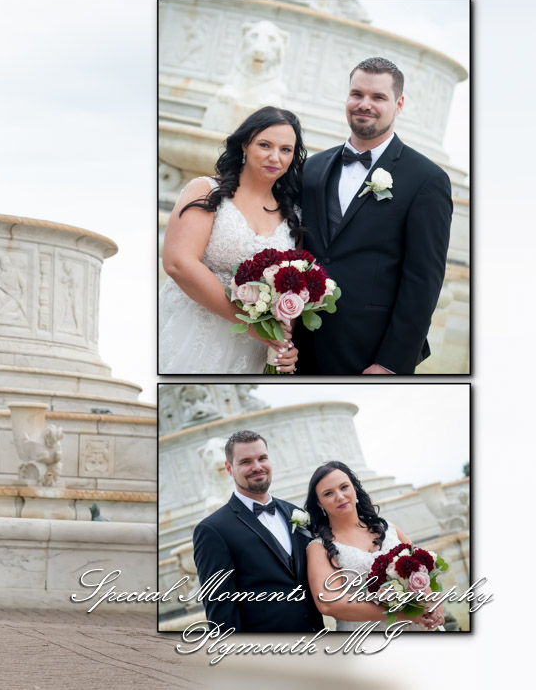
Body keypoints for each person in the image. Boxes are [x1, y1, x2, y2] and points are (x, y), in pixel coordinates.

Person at [295, 57, 454, 374]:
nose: (364, 104)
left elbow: (423, 282)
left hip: (367, 352)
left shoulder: (427, 179)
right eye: (357, 94)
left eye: (378, 97)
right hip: (298, 343)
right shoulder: (311, 168)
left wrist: (391, 363)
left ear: (399, 104)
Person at [159, 107, 305, 374]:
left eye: (286, 150)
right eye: (265, 145)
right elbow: (178, 263)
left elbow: (293, 291)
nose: (275, 157)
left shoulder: (294, 216)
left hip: (253, 351)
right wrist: (253, 326)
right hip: (193, 331)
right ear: (245, 145)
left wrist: (284, 343)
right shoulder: (206, 190)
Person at [191, 431, 323, 632]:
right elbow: (221, 612)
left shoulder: (294, 511)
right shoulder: (212, 530)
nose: (257, 467)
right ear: (229, 468)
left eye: (262, 458)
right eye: (246, 461)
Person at [303, 461, 445, 631]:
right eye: (328, 493)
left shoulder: (389, 529)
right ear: (319, 503)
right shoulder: (319, 548)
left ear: (355, 489)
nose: (340, 496)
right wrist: (402, 615)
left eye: (344, 487)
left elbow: (423, 573)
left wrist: (435, 609)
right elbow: (329, 604)